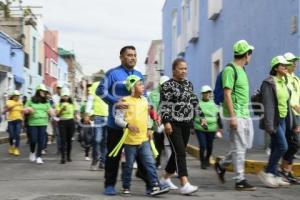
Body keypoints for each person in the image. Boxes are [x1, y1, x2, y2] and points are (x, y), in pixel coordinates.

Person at [97, 46, 151, 195]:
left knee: (142, 156)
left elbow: (144, 96)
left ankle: (149, 182)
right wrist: (114, 101)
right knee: (113, 156)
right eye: (129, 55)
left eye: (134, 55)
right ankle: (109, 184)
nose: (132, 58)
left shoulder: (139, 74)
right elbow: (100, 91)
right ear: (121, 57)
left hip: (136, 125)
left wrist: (148, 121)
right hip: (116, 124)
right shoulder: (112, 74)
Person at [114, 75, 170, 196]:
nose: (143, 86)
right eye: (140, 84)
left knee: (150, 163)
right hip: (130, 141)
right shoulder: (125, 101)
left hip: (144, 139)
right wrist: (128, 125)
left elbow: (149, 116)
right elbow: (117, 119)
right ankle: (126, 187)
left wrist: (150, 128)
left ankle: (155, 186)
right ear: (132, 87)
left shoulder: (145, 100)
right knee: (129, 165)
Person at [214, 40, 256, 191]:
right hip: (235, 114)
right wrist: (232, 116)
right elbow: (227, 94)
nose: (251, 56)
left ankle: (221, 165)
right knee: (239, 147)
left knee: (244, 146)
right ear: (246, 54)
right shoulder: (230, 70)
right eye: (250, 53)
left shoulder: (242, 70)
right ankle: (240, 180)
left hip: (245, 114)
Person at [160, 58, 199, 195]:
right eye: (181, 68)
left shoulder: (189, 84)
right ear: (174, 70)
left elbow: (194, 101)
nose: (184, 71)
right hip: (173, 123)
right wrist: (166, 122)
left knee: (177, 152)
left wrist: (202, 117)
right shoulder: (167, 86)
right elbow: (164, 104)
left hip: (186, 124)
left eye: (185, 68)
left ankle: (164, 179)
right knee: (181, 152)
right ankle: (184, 183)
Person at [258, 55, 296, 187]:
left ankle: (273, 174)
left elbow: (287, 103)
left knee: (275, 146)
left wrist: (294, 123)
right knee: (283, 146)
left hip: (283, 120)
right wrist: (269, 125)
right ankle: (267, 172)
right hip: (273, 120)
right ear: (275, 68)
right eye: (283, 65)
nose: (286, 67)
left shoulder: (283, 82)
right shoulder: (269, 83)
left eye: (287, 65)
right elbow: (268, 105)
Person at [279, 52, 300, 184]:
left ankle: (288, 171)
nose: (295, 63)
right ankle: (283, 170)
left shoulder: (296, 79)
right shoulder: (284, 78)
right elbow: (284, 97)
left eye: (295, 61)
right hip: (288, 114)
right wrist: (294, 106)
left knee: (294, 144)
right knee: (294, 143)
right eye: (292, 61)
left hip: (297, 115)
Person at [25, 84, 55, 164]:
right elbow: (25, 109)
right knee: (33, 140)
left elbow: (50, 110)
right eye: (42, 91)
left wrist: (52, 112)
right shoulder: (31, 100)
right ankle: (32, 152)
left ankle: (39, 157)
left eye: (45, 92)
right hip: (33, 123)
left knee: (41, 140)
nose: (43, 93)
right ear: (38, 91)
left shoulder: (46, 102)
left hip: (43, 122)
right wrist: (28, 109)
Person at [194, 85, 223, 169]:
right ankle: (202, 162)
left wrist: (220, 127)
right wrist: (191, 127)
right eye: (205, 93)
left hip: (212, 128)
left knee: (210, 146)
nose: (207, 94)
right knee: (203, 145)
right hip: (200, 128)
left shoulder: (214, 104)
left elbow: (218, 116)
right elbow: (193, 116)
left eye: (208, 93)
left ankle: (207, 159)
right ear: (202, 94)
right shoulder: (198, 104)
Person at [148, 76, 171, 170]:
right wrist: (156, 120)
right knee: (158, 144)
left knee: (167, 145)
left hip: (168, 122)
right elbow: (152, 108)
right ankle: (157, 162)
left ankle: (170, 165)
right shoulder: (154, 95)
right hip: (157, 122)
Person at [86, 81, 108, 170]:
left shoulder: (111, 85)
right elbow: (90, 101)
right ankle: (95, 159)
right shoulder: (95, 85)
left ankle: (103, 161)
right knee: (97, 139)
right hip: (98, 116)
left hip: (109, 117)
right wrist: (88, 113)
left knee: (105, 141)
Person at [56, 89, 78, 164]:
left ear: (69, 96)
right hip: (62, 122)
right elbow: (57, 115)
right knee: (63, 140)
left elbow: (75, 113)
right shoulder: (59, 104)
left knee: (69, 140)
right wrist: (62, 109)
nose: (65, 97)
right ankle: (63, 157)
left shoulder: (72, 104)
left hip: (70, 122)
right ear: (61, 96)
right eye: (64, 96)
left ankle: (68, 156)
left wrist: (76, 118)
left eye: (66, 95)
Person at [5, 90, 23, 156]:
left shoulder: (20, 102)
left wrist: (23, 120)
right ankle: (11, 146)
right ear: (13, 96)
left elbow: (22, 111)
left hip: (19, 120)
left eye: (18, 96)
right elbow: (9, 108)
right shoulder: (9, 101)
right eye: (16, 96)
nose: (17, 97)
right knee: (11, 135)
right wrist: (16, 104)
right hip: (11, 121)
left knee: (17, 135)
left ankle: (16, 149)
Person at [52, 82, 63, 154]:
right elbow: (51, 107)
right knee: (58, 135)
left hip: (64, 118)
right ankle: (59, 149)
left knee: (63, 134)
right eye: (58, 88)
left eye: (60, 88)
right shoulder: (53, 97)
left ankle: (63, 148)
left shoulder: (65, 96)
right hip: (56, 118)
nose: (59, 90)